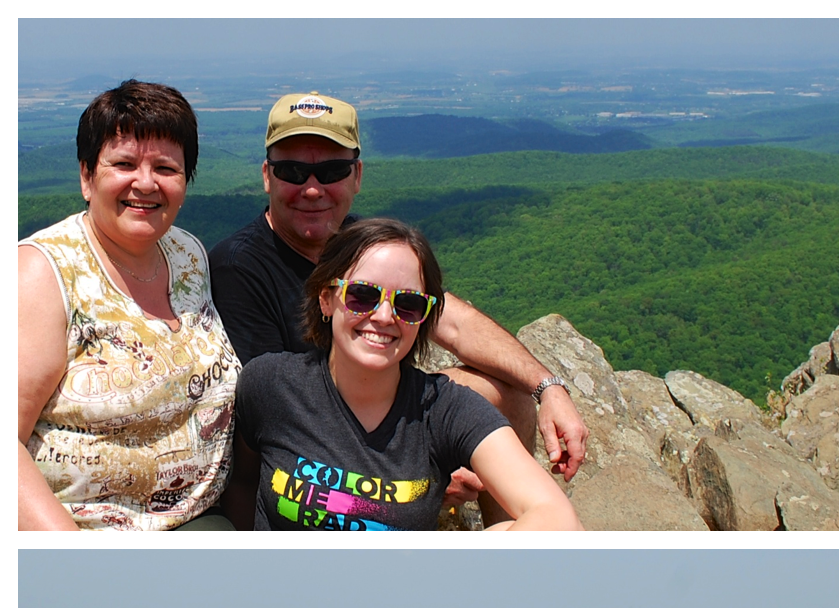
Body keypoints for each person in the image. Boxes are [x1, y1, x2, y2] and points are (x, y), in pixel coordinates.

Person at [208, 90, 588, 524]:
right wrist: (412, 470)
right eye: (292, 171)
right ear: (267, 176)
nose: (312, 189)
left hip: (379, 407)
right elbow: (289, 421)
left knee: (510, 392)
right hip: (312, 456)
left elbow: (459, 325)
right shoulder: (241, 268)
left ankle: (503, 528)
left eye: (331, 170)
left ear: (356, 177)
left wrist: (548, 387)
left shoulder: (362, 245)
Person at [224, 218, 583, 532]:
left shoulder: (444, 410)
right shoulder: (271, 386)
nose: (383, 316)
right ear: (326, 299)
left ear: (424, 316)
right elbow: (241, 484)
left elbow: (557, 517)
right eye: (362, 296)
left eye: (407, 304)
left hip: (391, 605)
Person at [18, 80, 240, 531]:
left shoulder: (187, 253)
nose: (145, 182)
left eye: (166, 167)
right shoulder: (42, 273)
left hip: (205, 523)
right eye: (123, 163)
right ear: (86, 176)